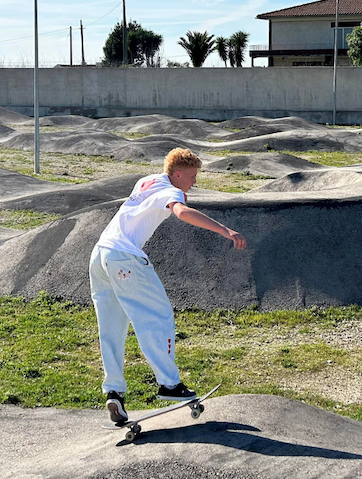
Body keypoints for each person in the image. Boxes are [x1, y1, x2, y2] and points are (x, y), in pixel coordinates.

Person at [89, 147, 247, 424]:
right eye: (192, 176)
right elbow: (182, 212)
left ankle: (114, 392)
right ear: (177, 174)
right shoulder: (170, 192)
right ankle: (169, 385)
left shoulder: (147, 181)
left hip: (99, 255)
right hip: (124, 258)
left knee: (111, 327)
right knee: (157, 316)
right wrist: (225, 230)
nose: (194, 182)